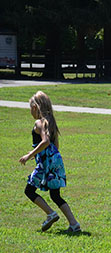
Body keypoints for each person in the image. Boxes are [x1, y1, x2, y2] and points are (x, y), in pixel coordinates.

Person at [19, 91, 81, 233]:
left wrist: (30, 155)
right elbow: (55, 145)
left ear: (35, 107)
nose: (30, 111)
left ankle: (50, 214)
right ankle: (74, 224)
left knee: (29, 190)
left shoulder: (39, 123)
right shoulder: (51, 122)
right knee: (55, 195)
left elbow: (45, 141)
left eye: (30, 108)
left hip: (45, 164)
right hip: (55, 162)